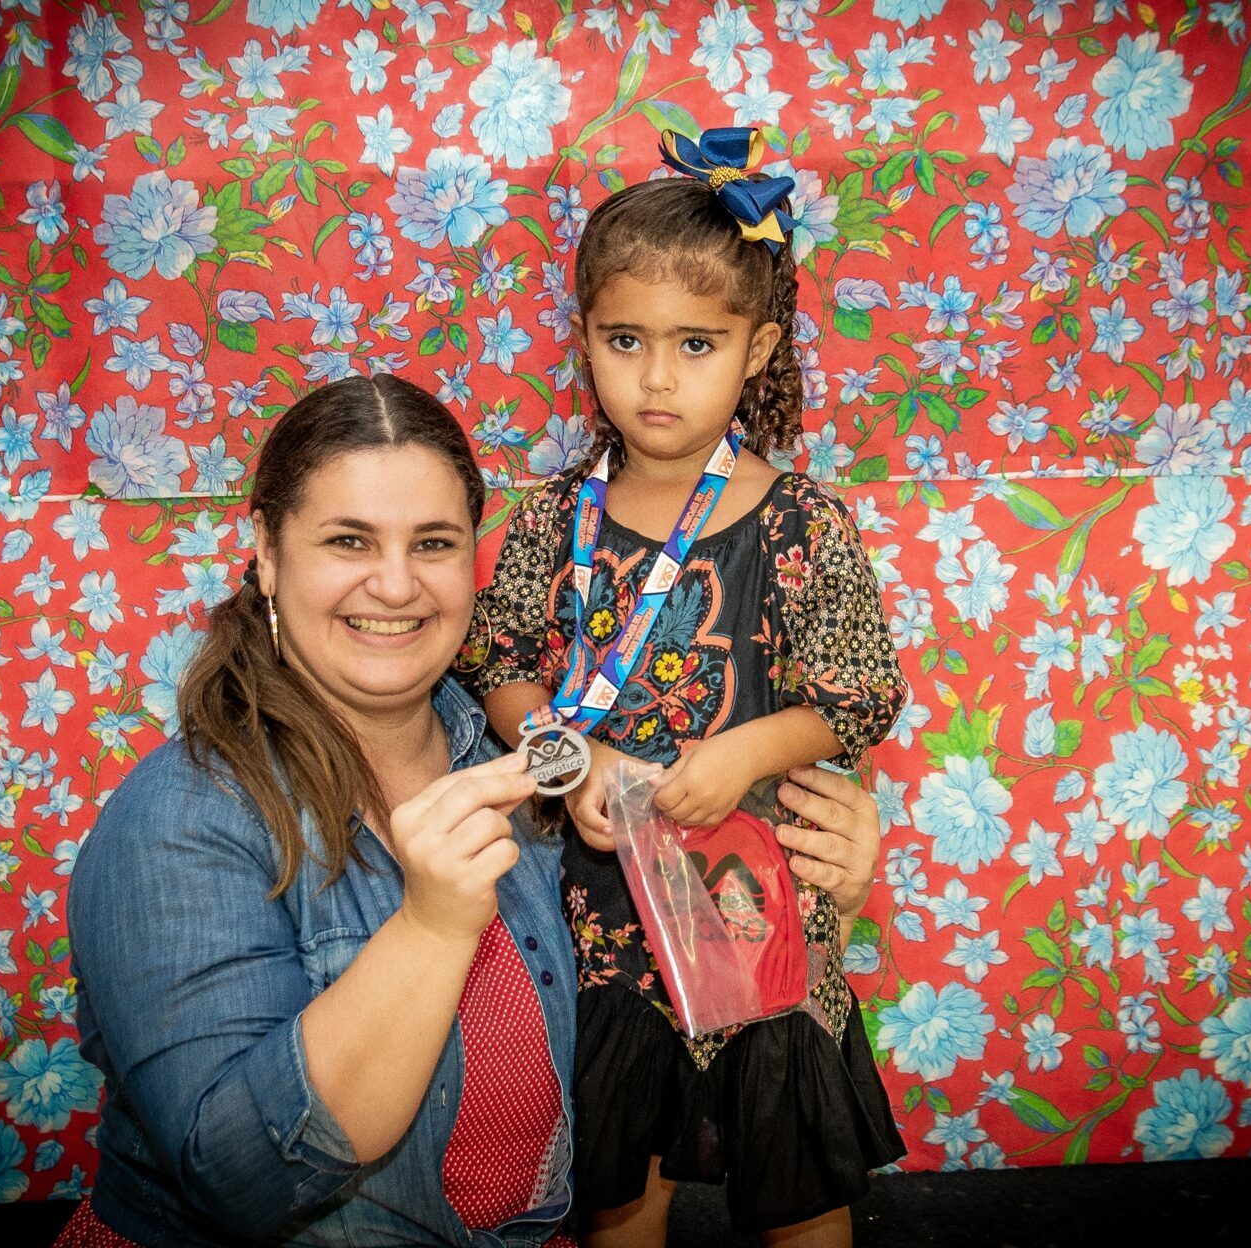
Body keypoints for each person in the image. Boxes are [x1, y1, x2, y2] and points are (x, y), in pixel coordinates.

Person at [62, 374, 888, 1247]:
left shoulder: (529, 760)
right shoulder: (182, 819)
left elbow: (659, 1014)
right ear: (267, 551)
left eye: (433, 543)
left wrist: (813, 887)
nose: (395, 585)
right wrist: (430, 926)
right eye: (348, 540)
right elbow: (238, 1180)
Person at [458, 128, 909, 1247]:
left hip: (759, 905)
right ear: (585, 339)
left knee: (799, 1187)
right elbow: (498, 668)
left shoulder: (803, 522)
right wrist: (568, 764)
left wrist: (746, 751)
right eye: (626, 340)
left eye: (696, 343)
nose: (657, 377)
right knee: (623, 1188)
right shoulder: (553, 519)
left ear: (758, 350)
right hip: (604, 920)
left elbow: (860, 692)